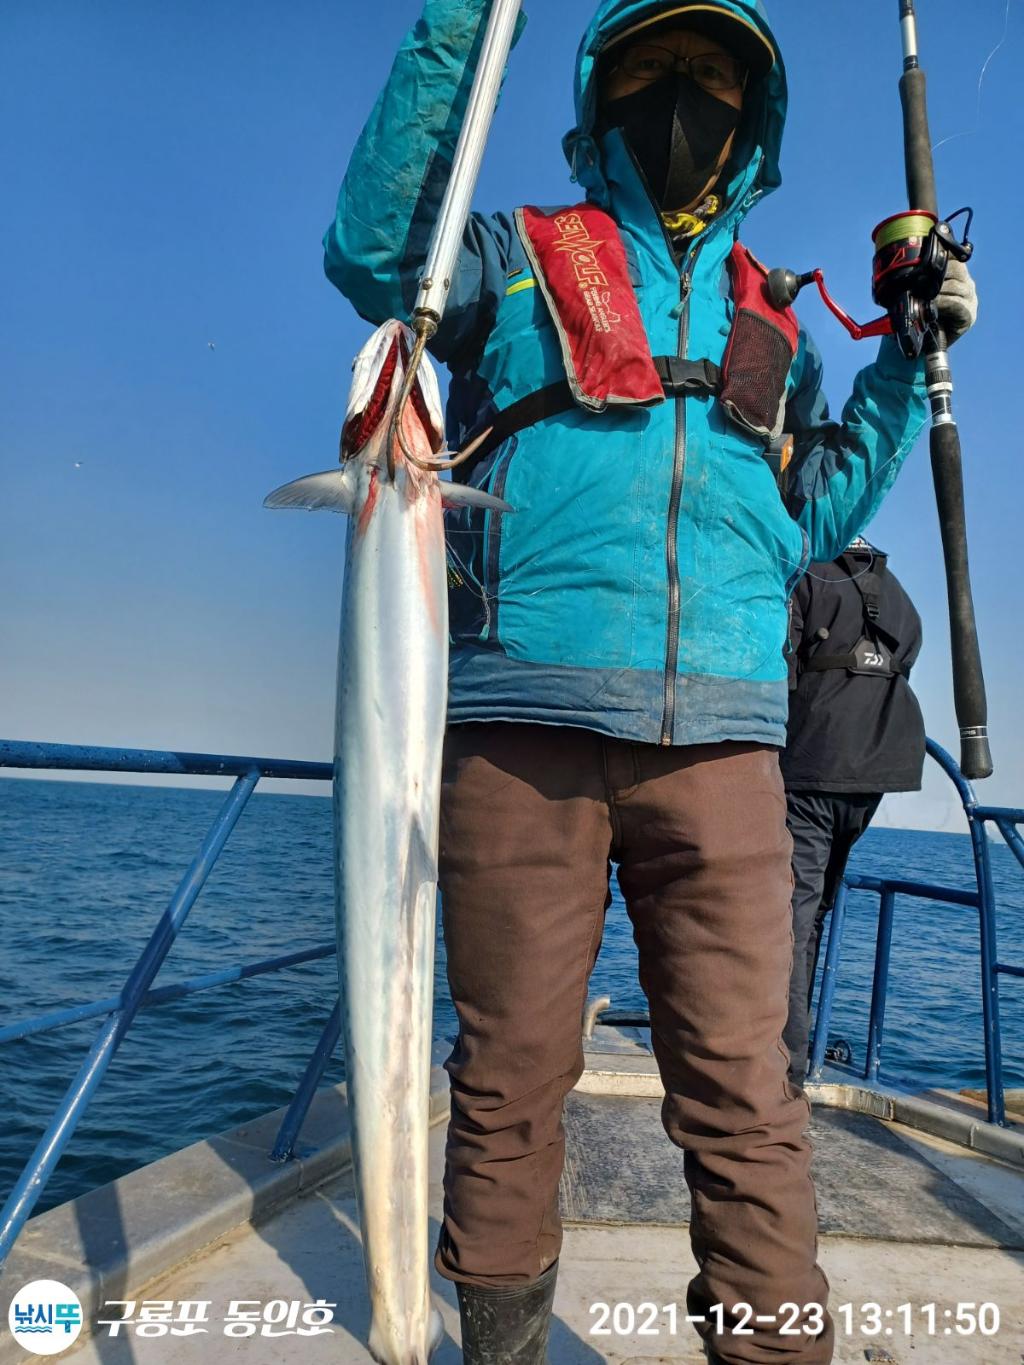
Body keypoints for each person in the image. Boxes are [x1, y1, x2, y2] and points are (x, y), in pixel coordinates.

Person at [324, 3, 977, 1361]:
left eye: (713, 74)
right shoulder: (508, 255)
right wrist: (462, 23)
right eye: (652, 68)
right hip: (522, 728)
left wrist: (902, 365)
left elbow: (804, 518)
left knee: (750, 1095)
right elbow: (375, 250)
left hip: (728, 746)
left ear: (755, 118)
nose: (683, 96)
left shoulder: (775, 318)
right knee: (507, 1081)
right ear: (599, 96)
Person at [782, 540, 927, 1087]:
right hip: (880, 769)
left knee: (789, 916)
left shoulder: (807, 575)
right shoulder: (902, 597)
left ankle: (784, 1068)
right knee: (814, 910)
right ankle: (792, 1053)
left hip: (813, 763)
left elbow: (779, 666)